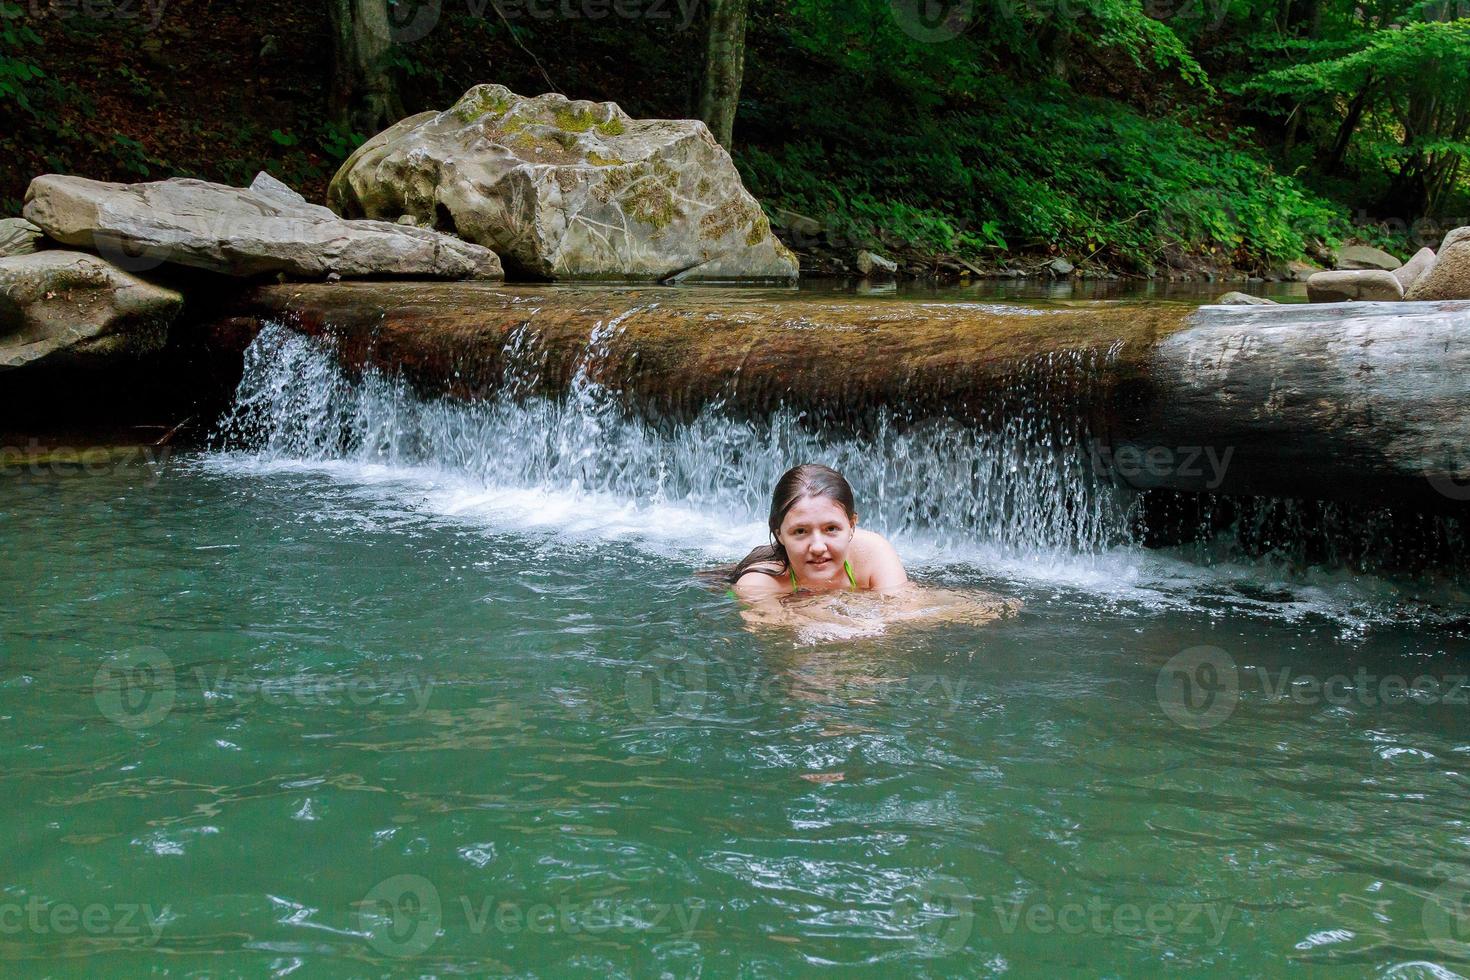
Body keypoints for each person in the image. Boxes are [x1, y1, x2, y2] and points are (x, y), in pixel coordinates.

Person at [729, 463, 908, 602]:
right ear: (779, 534)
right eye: (800, 531)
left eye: (831, 529)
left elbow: (905, 611)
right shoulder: (757, 584)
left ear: (852, 525)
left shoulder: (872, 552)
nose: (817, 547)